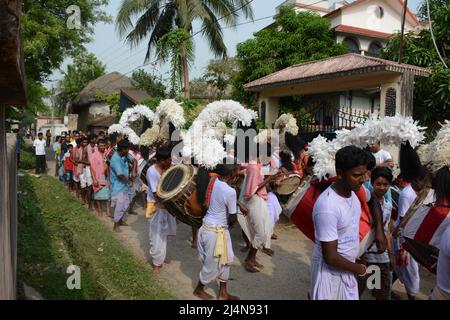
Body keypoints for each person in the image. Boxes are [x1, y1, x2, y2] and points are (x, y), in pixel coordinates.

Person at [309, 146, 381, 300]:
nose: (362, 179)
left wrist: (380, 232)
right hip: (330, 274)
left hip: (347, 268)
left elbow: (373, 200)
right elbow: (331, 257)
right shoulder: (327, 207)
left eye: (364, 174)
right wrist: (360, 269)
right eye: (356, 175)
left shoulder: (356, 190)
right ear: (340, 174)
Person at [193, 162, 241, 300]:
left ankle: (223, 293)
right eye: (236, 172)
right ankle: (198, 289)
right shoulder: (230, 191)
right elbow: (232, 218)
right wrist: (234, 219)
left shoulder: (213, 181)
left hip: (209, 228)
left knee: (227, 259)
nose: (238, 174)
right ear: (231, 174)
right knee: (213, 263)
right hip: (216, 232)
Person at [392, 166, 431, 300]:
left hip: (413, 236)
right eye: (424, 181)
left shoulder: (421, 192)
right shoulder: (407, 194)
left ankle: (387, 285)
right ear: (416, 180)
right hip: (404, 238)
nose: (426, 184)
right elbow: (404, 219)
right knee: (410, 271)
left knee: (404, 269)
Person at [358, 167, 395, 300]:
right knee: (361, 293)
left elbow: (386, 231)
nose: (382, 187)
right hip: (365, 258)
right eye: (378, 184)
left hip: (382, 258)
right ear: (372, 183)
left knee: (382, 293)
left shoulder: (388, 206)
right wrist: (360, 257)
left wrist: (391, 255)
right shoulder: (364, 204)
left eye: (385, 184)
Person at [146, 147, 176, 273]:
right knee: (156, 235)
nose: (171, 162)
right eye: (169, 160)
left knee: (164, 234)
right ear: (162, 160)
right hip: (157, 206)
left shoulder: (168, 167)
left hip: (167, 205)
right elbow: (156, 194)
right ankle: (156, 263)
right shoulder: (152, 172)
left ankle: (161, 257)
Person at [110, 140, 131, 232]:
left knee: (126, 204)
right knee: (119, 206)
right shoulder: (116, 160)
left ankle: (121, 220)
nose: (128, 151)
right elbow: (120, 175)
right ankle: (115, 225)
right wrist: (129, 181)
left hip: (124, 186)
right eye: (127, 149)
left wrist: (133, 169)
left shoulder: (124, 155)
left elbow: (133, 160)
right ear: (122, 149)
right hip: (118, 186)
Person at [91, 139, 111, 217]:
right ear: (98, 146)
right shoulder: (94, 155)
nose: (102, 147)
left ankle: (108, 211)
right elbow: (91, 168)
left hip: (107, 177)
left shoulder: (107, 154)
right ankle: (99, 210)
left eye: (103, 146)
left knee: (108, 195)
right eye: (101, 146)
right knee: (98, 195)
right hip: (97, 177)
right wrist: (94, 179)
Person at [78, 137, 93, 209]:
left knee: (89, 185)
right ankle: (83, 199)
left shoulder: (90, 149)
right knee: (83, 185)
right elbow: (79, 160)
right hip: (82, 168)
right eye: (84, 142)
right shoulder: (80, 150)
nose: (85, 144)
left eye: (86, 142)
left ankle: (88, 201)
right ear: (81, 143)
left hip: (87, 168)